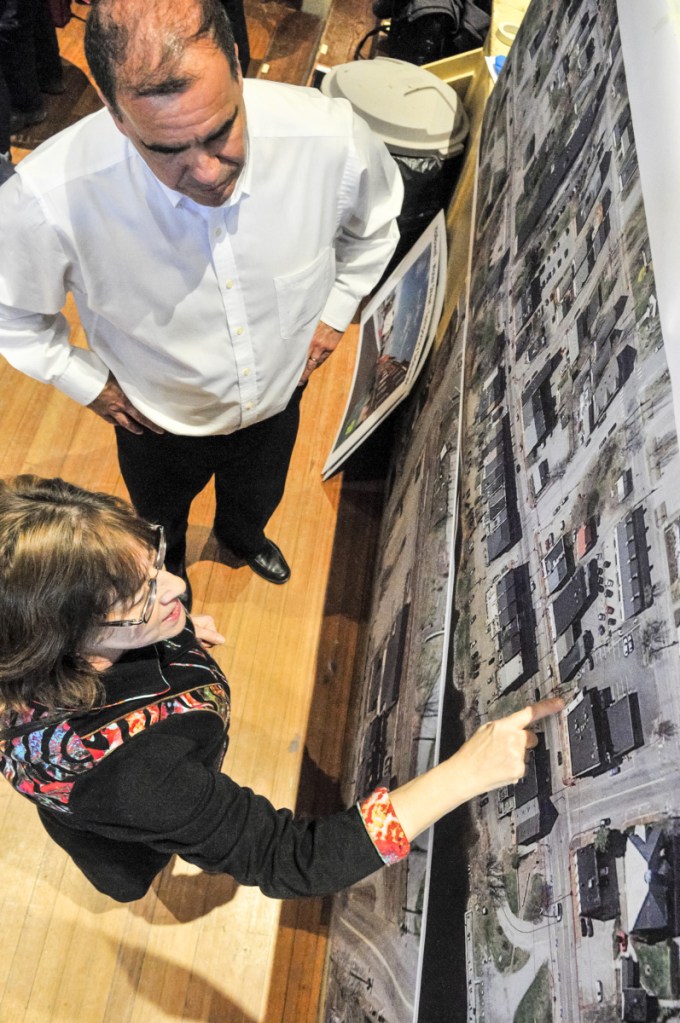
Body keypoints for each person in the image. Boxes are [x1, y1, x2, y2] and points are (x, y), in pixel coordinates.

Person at [0, 474, 564, 903]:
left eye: (155, 562)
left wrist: (170, 631)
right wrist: (466, 771)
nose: (176, 587)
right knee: (130, 871)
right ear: (62, 645)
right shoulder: (138, 780)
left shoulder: (37, 632)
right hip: (115, 813)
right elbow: (294, 859)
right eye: (137, 600)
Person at [0, 0, 404, 595]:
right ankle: (170, 578)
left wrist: (337, 312)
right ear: (115, 114)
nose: (210, 172)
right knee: (159, 525)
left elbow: (374, 227)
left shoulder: (329, 136)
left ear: (238, 65)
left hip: (278, 396)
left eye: (221, 131)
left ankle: (245, 538)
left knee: (258, 495)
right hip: (156, 422)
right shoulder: (49, 198)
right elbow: (16, 319)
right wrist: (89, 385)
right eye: (167, 151)